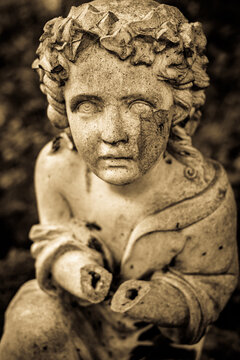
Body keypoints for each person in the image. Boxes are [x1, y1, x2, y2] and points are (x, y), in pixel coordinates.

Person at [0, 1, 238, 359]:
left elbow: (209, 285)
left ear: (179, 108)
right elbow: (53, 236)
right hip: (78, 318)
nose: (113, 134)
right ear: (61, 108)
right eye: (87, 105)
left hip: (153, 340)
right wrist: (75, 268)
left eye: (140, 104)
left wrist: (153, 301)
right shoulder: (58, 166)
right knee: (34, 326)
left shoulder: (203, 196)